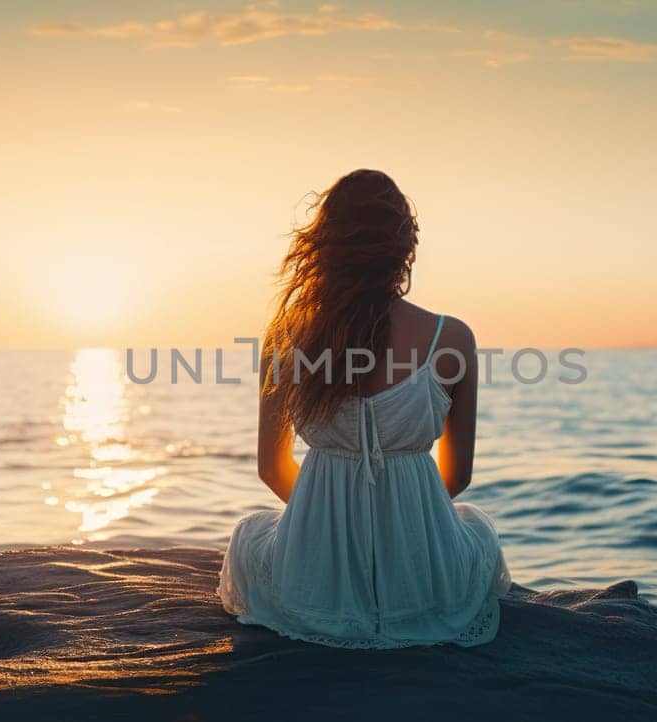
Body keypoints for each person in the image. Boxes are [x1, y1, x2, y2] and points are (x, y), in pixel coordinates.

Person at [218, 169, 511, 648]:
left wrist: (335, 529)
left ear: (323, 247)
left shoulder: (286, 338)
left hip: (313, 583)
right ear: (405, 245)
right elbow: (457, 478)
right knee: (476, 529)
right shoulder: (452, 338)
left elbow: (272, 469)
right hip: (425, 579)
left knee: (250, 537)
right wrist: (395, 530)